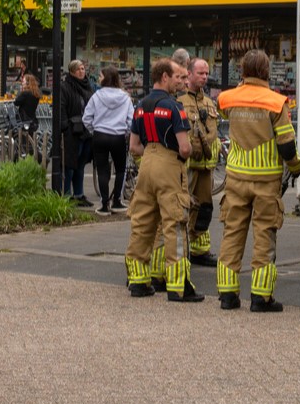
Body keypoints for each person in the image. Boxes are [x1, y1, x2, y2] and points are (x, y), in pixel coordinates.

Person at [215, 49, 298, 311]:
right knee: (264, 235)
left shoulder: (227, 99)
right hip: (266, 181)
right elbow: (286, 143)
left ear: (242, 70)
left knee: (232, 233)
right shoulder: (276, 102)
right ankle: (261, 298)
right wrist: (295, 168)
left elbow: (227, 115)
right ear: (266, 70)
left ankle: (227, 295)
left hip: (236, 178)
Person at [122, 57, 198, 301]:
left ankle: (138, 281)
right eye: (176, 77)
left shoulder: (140, 105)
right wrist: (175, 155)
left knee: (142, 223)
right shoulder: (175, 107)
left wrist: (152, 153)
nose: (180, 82)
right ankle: (178, 287)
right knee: (174, 223)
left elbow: (134, 146)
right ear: (164, 77)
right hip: (168, 165)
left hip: (146, 164)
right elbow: (185, 148)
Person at [178, 56, 219, 266]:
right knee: (185, 208)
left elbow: (213, 133)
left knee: (205, 208)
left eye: (206, 73)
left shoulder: (209, 103)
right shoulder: (179, 102)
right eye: (200, 73)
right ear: (189, 74)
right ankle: (184, 248)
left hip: (206, 165)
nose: (204, 77)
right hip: (188, 166)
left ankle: (200, 251)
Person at [83, 67, 133, 214]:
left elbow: (86, 118)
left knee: (102, 170)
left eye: (100, 75)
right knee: (120, 169)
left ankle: (104, 204)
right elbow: (131, 120)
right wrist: (125, 131)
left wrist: (94, 130)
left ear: (105, 78)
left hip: (100, 135)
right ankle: (117, 200)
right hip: (118, 136)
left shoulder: (96, 96)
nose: (98, 78)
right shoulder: (125, 97)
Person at [56, 60, 95, 205]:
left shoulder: (87, 87)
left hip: (86, 131)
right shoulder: (65, 87)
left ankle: (79, 194)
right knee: (69, 165)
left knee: (81, 164)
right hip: (72, 132)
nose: (82, 71)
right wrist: (65, 126)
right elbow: (61, 106)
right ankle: (66, 195)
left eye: (83, 68)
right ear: (72, 71)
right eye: (78, 69)